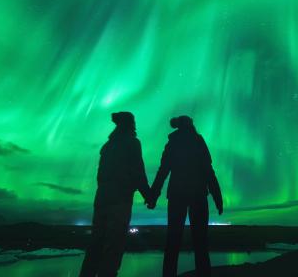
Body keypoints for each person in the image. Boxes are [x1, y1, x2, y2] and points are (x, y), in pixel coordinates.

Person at [147, 115, 223, 277]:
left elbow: (163, 171)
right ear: (190, 125)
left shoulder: (173, 143)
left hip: (177, 195)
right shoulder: (198, 141)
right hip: (198, 195)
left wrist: (153, 195)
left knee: (173, 241)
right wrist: (217, 197)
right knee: (200, 242)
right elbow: (209, 172)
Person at [79, 112, 151, 277]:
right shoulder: (132, 143)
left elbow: (101, 175)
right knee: (114, 246)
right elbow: (138, 172)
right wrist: (148, 195)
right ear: (130, 124)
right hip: (120, 200)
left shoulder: (108, 146)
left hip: (102, 198)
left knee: (95, 245)